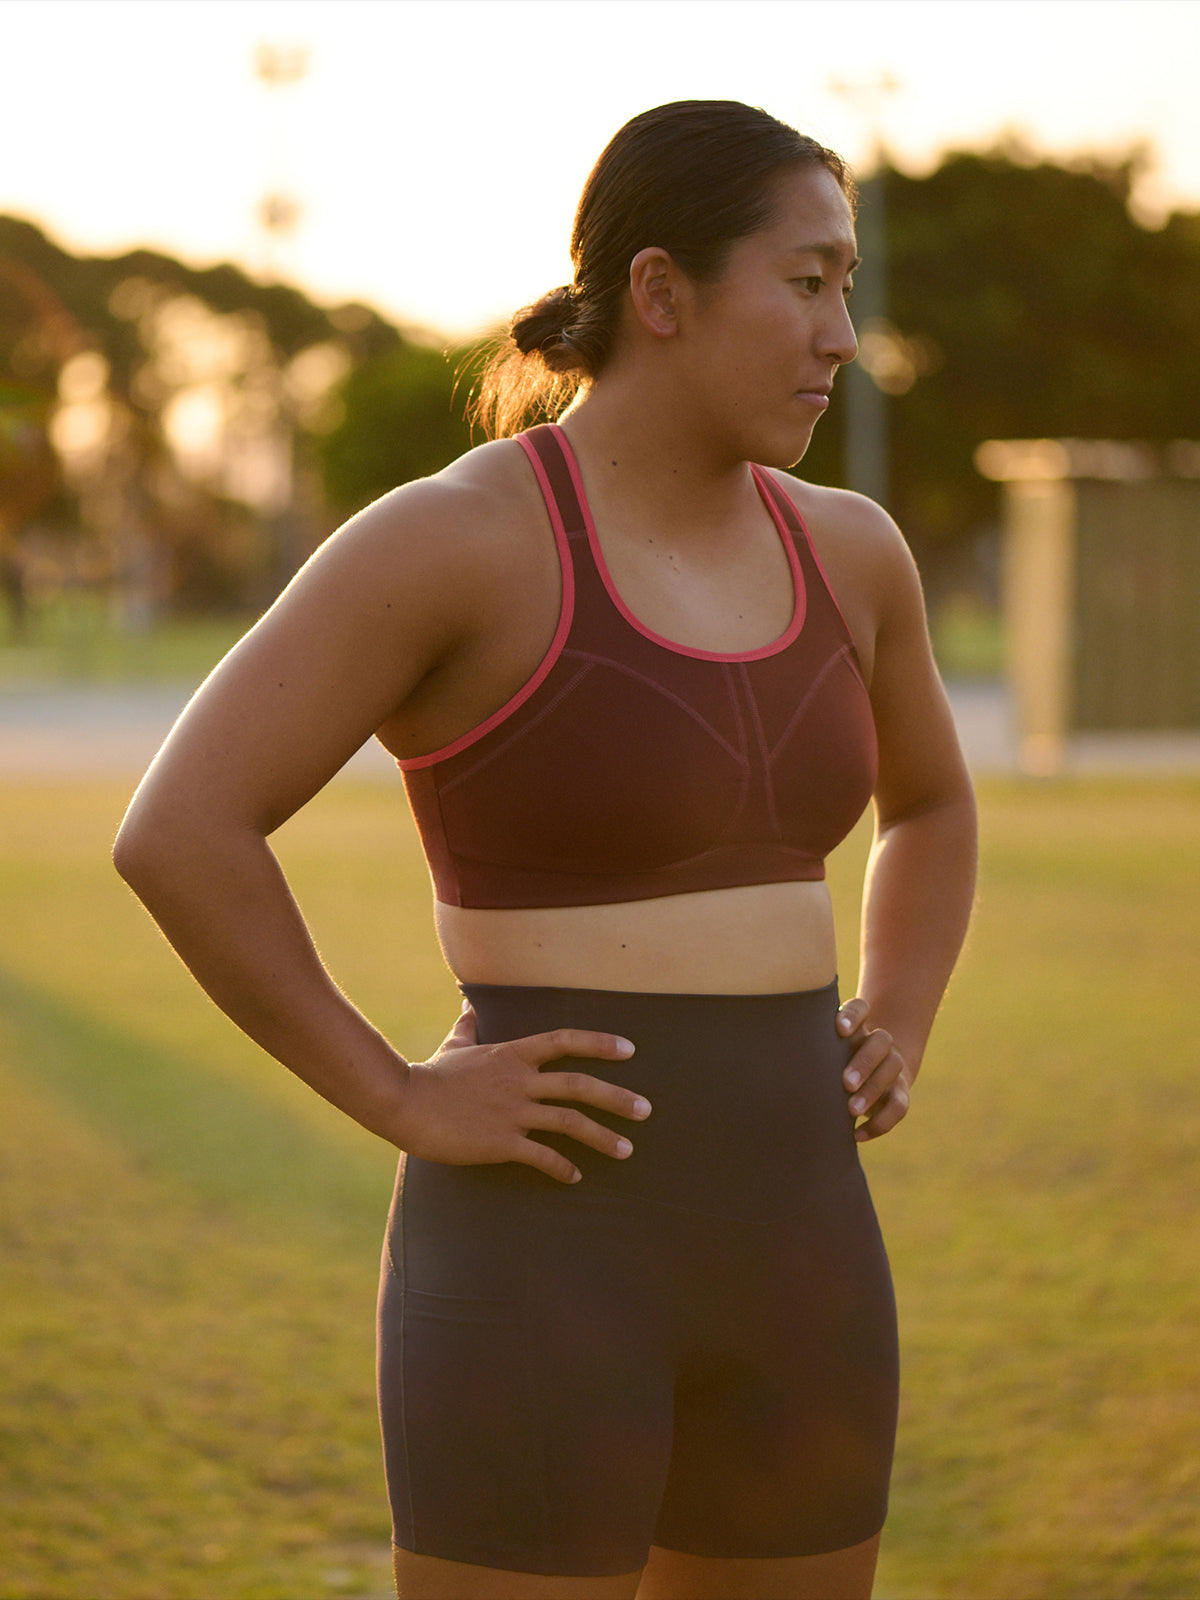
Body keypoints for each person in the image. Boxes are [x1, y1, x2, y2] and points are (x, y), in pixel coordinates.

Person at [114, 100, 977, 1600]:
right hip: (542, 1263)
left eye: (850, 286)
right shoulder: (457, 541)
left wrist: (897, 1014)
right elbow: (181, 831)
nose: (843, 333)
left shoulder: (855, 550)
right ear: (660, 292)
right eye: (806, 281)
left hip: (803, 1251)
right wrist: (393, 1090)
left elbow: (935, 808)